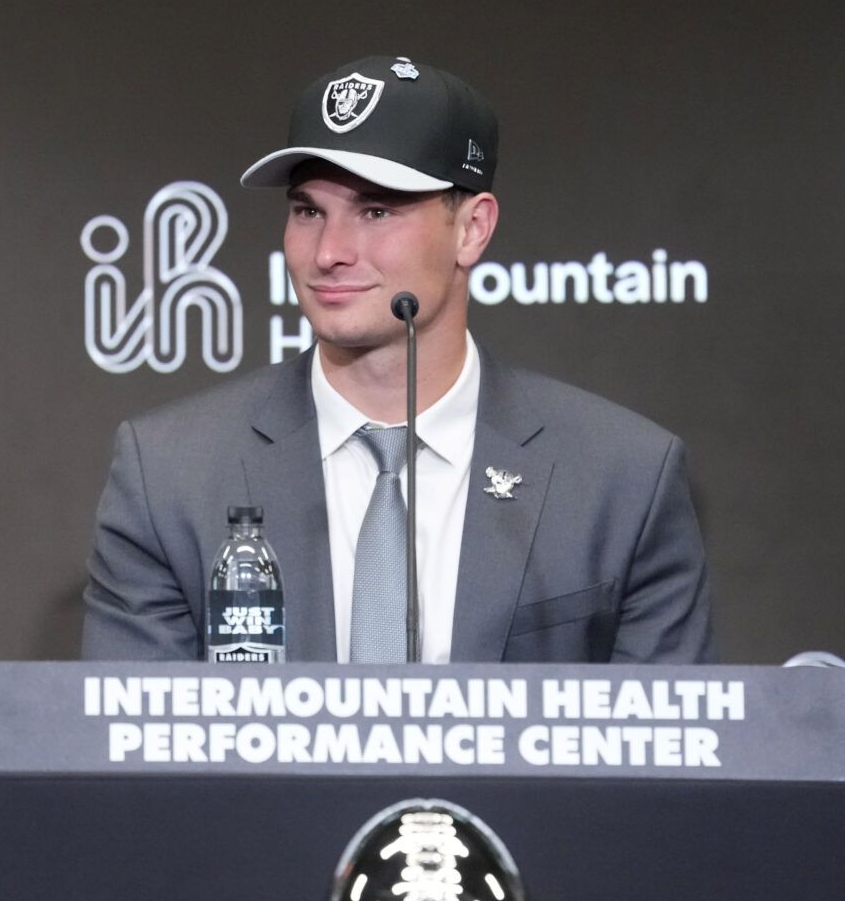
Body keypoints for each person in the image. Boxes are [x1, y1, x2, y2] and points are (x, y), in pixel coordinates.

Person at [82, 56, 713, 664]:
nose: (328, 252)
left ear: (472, 229)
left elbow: (667, 732)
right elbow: (129, 731)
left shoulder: (622, 478)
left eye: (376, 211)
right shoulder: (169, 475)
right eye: (308, 211)